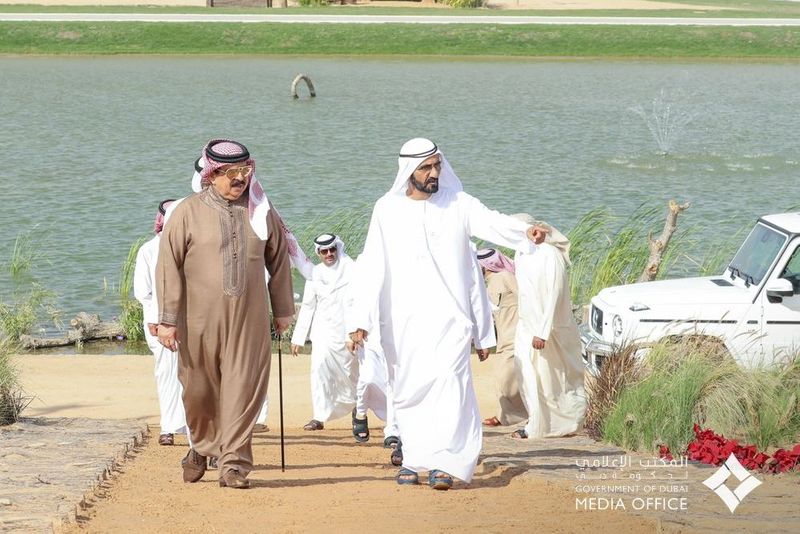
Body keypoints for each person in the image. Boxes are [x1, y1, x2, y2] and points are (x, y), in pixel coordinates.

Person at [347, 138, 546, 490]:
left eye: (437, 165)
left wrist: (524, 233)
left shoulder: (459, 203)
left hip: (450, 318)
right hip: (402, 319)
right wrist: (360, 320)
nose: (434, 173)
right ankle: (414, 459)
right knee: (408, 389)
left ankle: (445, 461)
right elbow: (372, 264)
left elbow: (491, 222)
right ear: (409, 171)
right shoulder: (386, 209)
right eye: (426, 167)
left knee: (450, 385)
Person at [156, 139, 295, 489]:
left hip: (249, 319)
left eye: (245, 171)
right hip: (197, 321)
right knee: (198, 391)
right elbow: (168, 266)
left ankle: (233, 464)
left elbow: (279, 260)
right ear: (212, 174)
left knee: (243, 391)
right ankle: (202, 447)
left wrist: (282, 310)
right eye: (232, 172)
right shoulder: (186, 212)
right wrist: (168, 320)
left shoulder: (261, 211)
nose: (240, 179)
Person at [511, 213, 586, 439]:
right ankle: (536, 424)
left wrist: (542, 332)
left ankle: (565, 424)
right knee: (527, 375)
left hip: (551, 329)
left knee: (554, 380)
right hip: (526, 325)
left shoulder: (550, 254)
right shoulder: (520, 253)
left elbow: (555, 293)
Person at [133, 199, 189, 447]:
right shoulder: (148, 250)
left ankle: (191, 426)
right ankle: (168, 427)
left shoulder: (189, 247)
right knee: (167, 373)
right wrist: (156, 320)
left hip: (188, 320)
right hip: (158, 323)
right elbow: (143, 293)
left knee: (192, 374)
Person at [291, 234, 359, 434]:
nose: (329, 254)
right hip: (323, 332)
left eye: (332, 249)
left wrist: (355, 331)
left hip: (347, 331)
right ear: (318, 253)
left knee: (351, 373)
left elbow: (359, 302)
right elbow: (308, 306)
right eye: (324, 251)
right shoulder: (315, 274)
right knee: (319, 370)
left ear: (337, 248)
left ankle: (357, 408)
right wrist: (298, 338)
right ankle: (319, 416)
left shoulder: (351, 269)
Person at [476, 247, 527, 429]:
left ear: (485, 265)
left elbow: (526, 298)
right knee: (502, 379)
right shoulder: (487, 284)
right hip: (503, 339)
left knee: (505, 378)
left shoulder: (505, 277)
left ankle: (519, 415)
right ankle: (505, 416)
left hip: (516, 334)